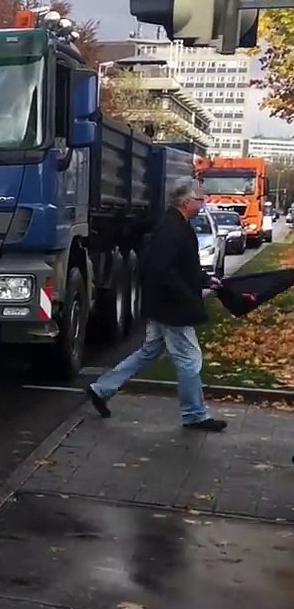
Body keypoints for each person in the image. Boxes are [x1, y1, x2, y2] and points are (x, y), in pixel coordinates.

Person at [85, 181, 227, 431]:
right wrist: (187, 296)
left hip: (162, 306)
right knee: (190, 359)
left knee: (149, 352)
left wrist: (205, 279)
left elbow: (179, 267)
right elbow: (162, 269)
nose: (202, 204)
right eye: (200, 200)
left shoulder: (173, 224)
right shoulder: (174, 228)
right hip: (172, 309)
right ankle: (194, 414)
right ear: (186, 202)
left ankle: (101, 388)